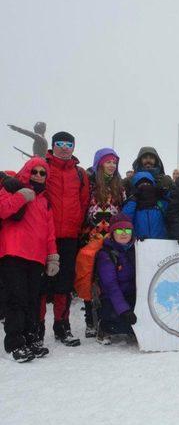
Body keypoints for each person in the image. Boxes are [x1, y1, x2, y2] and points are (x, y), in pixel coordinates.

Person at [0, 157, 57, 362]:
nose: (38, 176)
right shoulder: (12, 189)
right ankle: (15, 343)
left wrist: (53, 257)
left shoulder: (45, 202)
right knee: (16, 300)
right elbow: (2, 210)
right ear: (27, 171)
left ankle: (31, 338)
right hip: (13, 253)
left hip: (36, 257)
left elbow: (50, 233)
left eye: (43, 173)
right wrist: (21, 197)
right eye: (35, 171)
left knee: (33, 300)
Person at [40, 131, 89, 347]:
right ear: (52, 146)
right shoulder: (42, 166)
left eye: (69, 144)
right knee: (41, 285)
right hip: (43, 236)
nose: (65, 147)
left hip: (70, 237)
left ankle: (62, 326)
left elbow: (84, 202)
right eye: (60, 143)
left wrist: (78, 227)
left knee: (64, 284)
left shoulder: (80, 174)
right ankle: (37, 327)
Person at [80, 148, 126, 338]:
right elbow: (82, 209)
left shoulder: (119, 187)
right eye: (108, 162)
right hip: (91, 237)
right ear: (99, 163)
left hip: (110, 240)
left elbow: (122, 212)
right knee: (89, 278)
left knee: (106, 279)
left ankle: (103, 320)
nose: (111, 166)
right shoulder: (90, 184)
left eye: (114, 163)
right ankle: (89, 321)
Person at [95, 213, 137, 345]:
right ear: (112, 233)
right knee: (123, 324)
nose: (124, 233)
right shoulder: (106, 254)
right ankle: (104, 327)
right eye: (119, 230)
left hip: (133, 295)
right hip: (112, 299)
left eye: (127, 230)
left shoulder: (137, 249)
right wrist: (124, 309)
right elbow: (111, 286)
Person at [122, 172, 169, 240]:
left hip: (161, 243)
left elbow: (171, 216)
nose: (145, 186)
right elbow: (125, 219)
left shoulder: (160, 202)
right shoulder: (133, 203)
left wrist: (166, 192)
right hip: (140, 244)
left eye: (147, 184)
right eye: (141, 185)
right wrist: (132, 201)